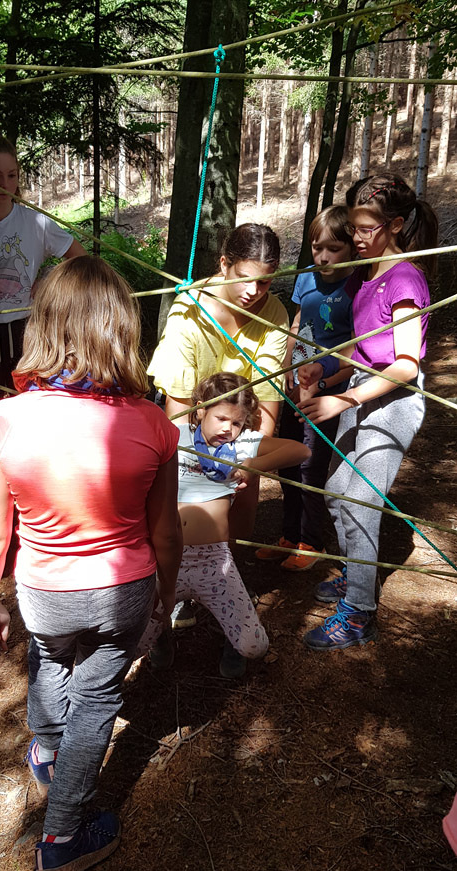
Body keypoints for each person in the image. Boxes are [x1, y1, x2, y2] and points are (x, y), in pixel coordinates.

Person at [0, 256, 183, 871]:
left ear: (43, 325)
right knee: (95, 700)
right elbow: (165, 532)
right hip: (123, 589)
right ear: (122, 330)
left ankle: (47, 750)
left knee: (49, 656)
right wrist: (167, 592)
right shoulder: (153, 424)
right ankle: (62, 838)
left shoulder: (3, 421)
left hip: (42, 589)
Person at [298, 173, 438, 650]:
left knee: (361, 499)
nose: (355, 238)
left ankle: (359, 612)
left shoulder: (404, 278)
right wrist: (326, 374)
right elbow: (362, 352)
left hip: (393, 401)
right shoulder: (367, 273)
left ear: (395, 225)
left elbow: (404, 365)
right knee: (338, 490)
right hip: (361, 389)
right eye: (353, 228)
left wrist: (344, 398)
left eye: (365, 229)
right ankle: (354, 572)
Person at [148, 224, 290, 625]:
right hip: (190, 420)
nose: (253, 292)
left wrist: (248, 461)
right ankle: (176, 579)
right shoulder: (188, 311)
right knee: (185, 497)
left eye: (265, 283)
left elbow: (268, 399)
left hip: (240, 421)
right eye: (244, 278)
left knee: (245, 496)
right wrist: (196, 466)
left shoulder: (275, 313)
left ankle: (226, 574)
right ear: (224, 264)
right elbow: (177, 409)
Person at [138, 372, 310, 678]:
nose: (228, 429)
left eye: (237, 422)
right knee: (133, 645)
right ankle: (161, 635)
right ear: (200, 410)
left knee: (254, 646)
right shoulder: (175, 434)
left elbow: (301, 451)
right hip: (165, 560)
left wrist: (254, 465)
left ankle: (231, 638)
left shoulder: (244, 444)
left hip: (214, 561)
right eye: (220, 418)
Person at [0, 127, 86, 420]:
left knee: (33, 417)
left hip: (28, 335)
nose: (5, 184)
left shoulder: (36, 223)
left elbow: (80, 259)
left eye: (12, 175)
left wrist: (48, 281)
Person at [257, 206, 354, 571]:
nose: (323, 257)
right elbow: (298, 323)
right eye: (317, 248)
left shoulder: (355, 286)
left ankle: (311, 541)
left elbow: (355, 349)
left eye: (334, 249)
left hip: (328, 390)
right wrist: (287, 366)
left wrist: (324, 382)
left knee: (312, 467)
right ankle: (289, 535)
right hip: (297, 383)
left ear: (351, 248)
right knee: (288, 462)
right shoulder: (307, 279)